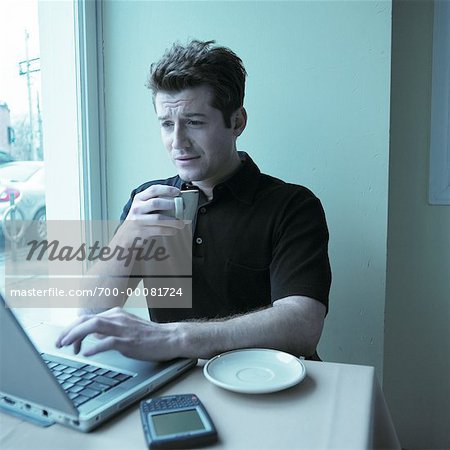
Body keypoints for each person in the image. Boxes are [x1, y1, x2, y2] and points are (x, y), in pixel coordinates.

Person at [56, 40, 331, 362]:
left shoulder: (293, 206)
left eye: (195, 122)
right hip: (177, 382)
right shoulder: (146, 202)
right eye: (166, 124)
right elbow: (90, 311)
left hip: (271, 385)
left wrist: (174, 337)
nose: (177, 142)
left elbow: (302, 326)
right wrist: (128, 236)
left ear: (237, 122)